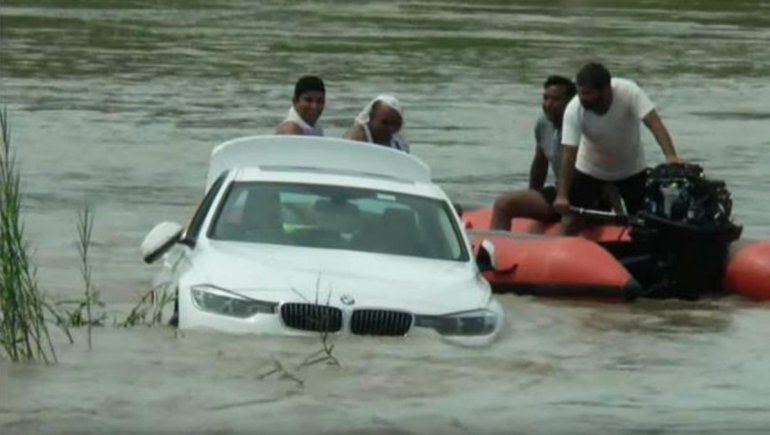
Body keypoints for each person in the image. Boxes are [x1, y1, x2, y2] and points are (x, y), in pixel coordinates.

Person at [553, 62, 683, 234]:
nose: (582, 98)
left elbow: (654, 123)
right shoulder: (574, 109)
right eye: (580, 92)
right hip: (590, 169)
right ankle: (561, 249)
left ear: (606, 89)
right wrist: (562, 195)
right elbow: (569, 155)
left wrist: (671, 155)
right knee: (571, 219)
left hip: (631, 169)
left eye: (587, 93)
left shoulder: (629, 92)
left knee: (643, 221)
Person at [490, 76, 577, 230]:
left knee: (568, 225)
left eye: (556, 99)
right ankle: (492, 252)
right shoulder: (543, 123)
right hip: (558, 193)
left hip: (585, 195)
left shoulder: (582, 124)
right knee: (503, 204)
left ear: (571, 102)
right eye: (545, 98)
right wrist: (532, 197)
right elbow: (540, 163)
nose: (549, 104)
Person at [344, 94, 409, 152]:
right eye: (385, 123)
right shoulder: (355, 140)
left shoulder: (399, 142)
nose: (391, 128)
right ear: (371, 117)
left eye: (396, 123)